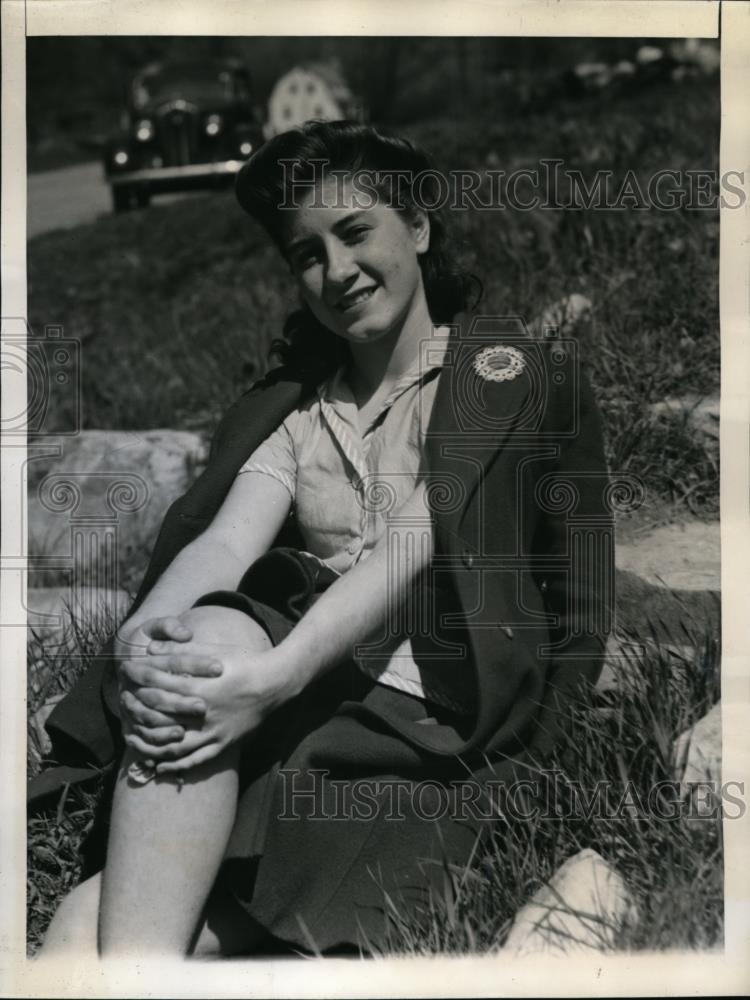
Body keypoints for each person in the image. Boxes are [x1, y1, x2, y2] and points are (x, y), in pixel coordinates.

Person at [35, 121, 613, 959]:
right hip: (298, 699)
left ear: (416, 228)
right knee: (75, 923)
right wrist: (137, 644)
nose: (336, 271)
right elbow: (223, 547)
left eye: (354, 232)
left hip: (425, 725)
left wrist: (273, 677)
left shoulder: (496, 375)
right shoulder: (304, 409)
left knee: (128, 929)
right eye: (307, 253)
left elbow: (417, 536)